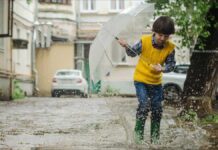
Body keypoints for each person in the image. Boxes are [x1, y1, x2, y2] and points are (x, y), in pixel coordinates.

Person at [118, 16, 176, 144]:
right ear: (154, 31)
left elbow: (171, 65)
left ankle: (155, 140)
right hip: (141, 80)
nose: (162, 39)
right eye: (160, 35)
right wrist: (126, 46)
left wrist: (163, 68)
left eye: (166, 36)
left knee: (157, 109)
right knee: (144, 105)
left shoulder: (170, 48)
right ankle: (138, 140)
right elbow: (132, 53)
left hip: (156, 82)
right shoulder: (144, 41)